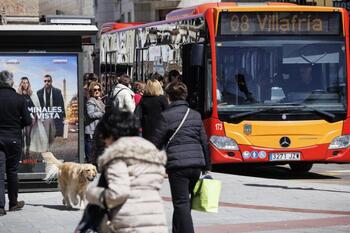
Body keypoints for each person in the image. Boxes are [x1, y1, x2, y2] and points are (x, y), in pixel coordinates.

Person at [85, 109, 168, 233]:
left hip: (129, 222)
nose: (105, 142)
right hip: (156, 219)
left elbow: (118, 193)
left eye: (104, 137)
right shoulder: (150, 152)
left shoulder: (117, 154)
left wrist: (92, 193)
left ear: (111, 134)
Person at [150, 81, 211, 233]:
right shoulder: (195, 115)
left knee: (181, 203)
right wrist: (207, 166)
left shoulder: (165, 116)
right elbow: (204, 141)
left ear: (168, 97)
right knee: (184, 204)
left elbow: (155, 142)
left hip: (177, 166)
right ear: (185, 96)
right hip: (196, 165)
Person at [0, 70, 32, 216]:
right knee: (12, 171)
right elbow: (27, 121)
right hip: (14, 139)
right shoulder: (19, 99)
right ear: (12, 82)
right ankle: (13, 203)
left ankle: (0, 207)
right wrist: (15, 125)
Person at [17, 77, 48, 160]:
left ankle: (26, 152)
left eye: (26, 82)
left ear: (28, 83)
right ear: (21, 84)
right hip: (20, 118)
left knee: (27, 135)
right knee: (21, 135)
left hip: (31, 118)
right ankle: (22, 152)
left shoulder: (32, 94)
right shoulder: (18, 94)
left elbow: (37, 106)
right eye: (23, 82)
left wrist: (36, 117)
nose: (25, 84)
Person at [37, 74, 65, 147]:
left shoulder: (57, 91)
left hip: (54, 114)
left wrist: (64, 116)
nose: (47, 82)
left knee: (54, 132)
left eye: (48, 81)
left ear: (51, 81)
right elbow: (37, 105)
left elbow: (61, 104)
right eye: (45, 81)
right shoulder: (39, 92)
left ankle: (50, 144)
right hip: (44, 115)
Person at [85, 82, 105, 163]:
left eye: (99, 89)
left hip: (98, 128)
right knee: (91, 147)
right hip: (91, 129)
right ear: (91, 91)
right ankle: (91, 162)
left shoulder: (99, 100)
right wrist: (103, 113)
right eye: (95, 90)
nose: (97, 91)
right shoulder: (91, 101)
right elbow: (91, 115)